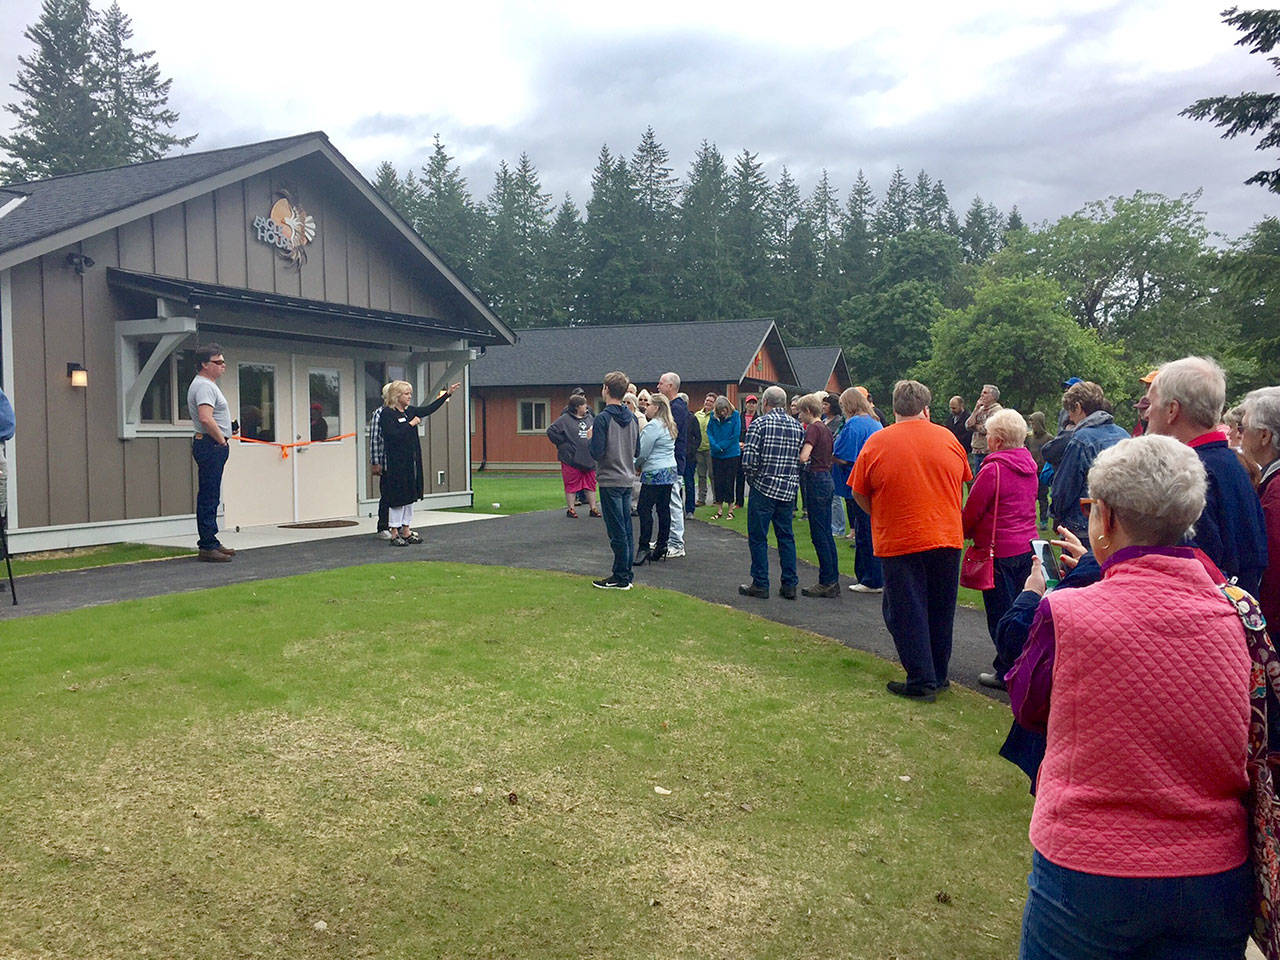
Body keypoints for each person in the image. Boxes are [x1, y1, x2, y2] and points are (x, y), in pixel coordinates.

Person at [1007, 435, 1252, 958]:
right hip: (1215, 872)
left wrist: (1034, 599)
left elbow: (1028, 707)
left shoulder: (1069, 613)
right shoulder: (1242, 615)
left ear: (1108, 518)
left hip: (1090, 867)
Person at [850, 380, 971, 700]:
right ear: (926, 408)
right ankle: (937, 673)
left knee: (904, 609)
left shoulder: (878, 442)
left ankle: (920, 678)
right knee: (940, 608)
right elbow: (962, 481)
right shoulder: (948, 438)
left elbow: (859, 492)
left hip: (901, 536)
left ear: (893, 408)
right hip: (946, 534)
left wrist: (880, 512)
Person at [1145, 356, 1268, 596]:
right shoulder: (1233, 466)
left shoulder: (1189, 476)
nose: (1147, 413)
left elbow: (1188, 573)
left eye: (1151, 403)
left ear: (1172, 410)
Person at [961, 409, 1039, 690]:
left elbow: (973, 512)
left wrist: (962, 531)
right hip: (1027, 546)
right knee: (1022, 611)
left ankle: (1007, 670)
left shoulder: (993, 469)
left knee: (1001, 614)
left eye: (989, 434)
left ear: (997, 440)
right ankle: (1023, 665)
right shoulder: (1030, 466)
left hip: (999, 551)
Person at [372, 379, 459, 541]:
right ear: (397, 396)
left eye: (410, 393)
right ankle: (394, 532)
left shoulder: (410, 411)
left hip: (411, 462)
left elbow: (428, 409)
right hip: (396, 463)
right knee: (398, 498)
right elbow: (393, 435)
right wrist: (411, 424)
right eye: (406, 394)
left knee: (410, 497)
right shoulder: (387, 414)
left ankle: (406, 530)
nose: (409, 396)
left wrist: (447, 394)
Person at [739, 385, 804, 600]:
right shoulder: (797, 426)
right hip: (787, 490)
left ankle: (760, 582)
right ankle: (789, 584)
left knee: (758, 537)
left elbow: (748, 461)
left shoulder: (759, 424)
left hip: (763, 488)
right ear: (784, 404)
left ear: (765, 403)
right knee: (786, 537)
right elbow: (802, 460)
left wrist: (754, 480)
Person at [1048, 381, 1129, 539]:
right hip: (1118, 523)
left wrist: (1056, 512)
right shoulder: (1123, 435)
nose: (1069, 417)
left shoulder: (1081, 440)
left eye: (1069, 411)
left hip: (1084, 524)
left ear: (1078, 407)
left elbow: (1064, 489)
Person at [590, 371, 641, 590]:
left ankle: (620, 576)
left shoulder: (602, 419)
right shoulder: (631, 417)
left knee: (616, 529)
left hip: (610, 478)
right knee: (626, 528)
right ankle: (626, 573)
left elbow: (597, 452)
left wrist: (592, 437)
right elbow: (637, 449)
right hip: (627, 478)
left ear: (607, 390)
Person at [835, 387, 884, 593]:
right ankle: (875, 576)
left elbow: (844, 455)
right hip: (875, 482)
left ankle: (870, 579)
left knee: (864, 531)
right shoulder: (875, 422)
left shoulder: (853, 424)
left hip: (858, 482)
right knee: (871, 529)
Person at [188, 344, 234, 562]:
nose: (223, 366)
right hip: (210, 445)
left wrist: (228, 430)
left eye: (223, 361)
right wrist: (221, 440)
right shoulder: (204, 386)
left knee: (212, 494)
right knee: (209, 495)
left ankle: (212, 540)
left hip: (211, 444)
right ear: (205, 365)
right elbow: (205, 418)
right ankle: (207, 545)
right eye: (218, 362)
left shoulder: (208, 385)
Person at [1241, 386, 1280, 629]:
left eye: (1243, 428)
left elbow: (1273, 569)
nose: (1239, 434)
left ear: (1264, 436)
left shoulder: (1276, 491)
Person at [797, 392, 841, 597]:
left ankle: (827, 581)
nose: (798, 416)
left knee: (819, 533)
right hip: (827, 477)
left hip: (816, 479)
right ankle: (832, 578)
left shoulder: (813, 428)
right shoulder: (825, 428)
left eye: (800, 412)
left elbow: (805, 456)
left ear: (807, 410)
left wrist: (796, 456)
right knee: (826, 533)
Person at [634, 392, 678, 565]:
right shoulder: (670, 425)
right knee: (663, 508)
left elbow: (643, 451)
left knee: (644, 508)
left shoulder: (653, 427)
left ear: (657, 408)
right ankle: (662, 545)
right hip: (669, 470)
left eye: (650, 404)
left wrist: (637, 465)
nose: (646, 407)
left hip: (654, 471)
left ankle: (644, 546)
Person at [546, 395, 599, 519]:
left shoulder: (590, 418)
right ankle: (571, 509)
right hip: (571, 459)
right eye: (584, 405)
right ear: (576, 407)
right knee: (571, 484)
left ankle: (593, 508)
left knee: (591, 484)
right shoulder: (564, 419)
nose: (586, 407)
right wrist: (563, 443)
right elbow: (551, 431)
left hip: (588, 457)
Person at [656, 372, 691, 558]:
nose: (658, 386)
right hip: (669, 461)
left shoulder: (677, 408)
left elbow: (671, 433)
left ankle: (677, 543)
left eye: (661, 383)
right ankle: (667, 538)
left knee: (673, 502)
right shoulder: (673, 406)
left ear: (670, 386)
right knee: (666, 502)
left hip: (674, 461)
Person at [707, 395, 742, 520]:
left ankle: (731, 509)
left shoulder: (735, 415)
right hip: (717, 454)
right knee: (718, 481)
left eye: (724, 410)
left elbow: (735, 434)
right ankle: (719, 509)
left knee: (729, 481)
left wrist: (722, 446)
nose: (723, 413)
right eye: (720, 411)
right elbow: (709, 432)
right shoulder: (713, 417)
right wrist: (715, 446)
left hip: (731, 453)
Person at [964, 383, 1003, 476]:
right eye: (982, 393)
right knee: (976, 477)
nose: (982, 395)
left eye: (985, 393)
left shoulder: (997, 410)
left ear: (993, 396)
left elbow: (987, 429)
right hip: (977, 450)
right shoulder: (980, 409)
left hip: (988, 451)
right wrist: (975, 409)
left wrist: (975, 426)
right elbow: (967, 425)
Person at [823, 393, 847, 539]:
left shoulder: (838, 421)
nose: (823, 407)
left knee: (836, 497)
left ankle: (839, 527)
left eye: (826, 404)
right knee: (828, 496)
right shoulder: (825, 420)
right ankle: (831, 524)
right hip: (825, 462)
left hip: (833, 461)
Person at [1025, 411, 1052, 528]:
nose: (1032, 426)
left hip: (1042, 472)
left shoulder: (1049, 438)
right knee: (1029, 497)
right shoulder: (1029, 438)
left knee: (1042, 497)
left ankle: (1044, 520)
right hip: (1031, 471)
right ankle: (1028, 519)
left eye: (1034, 423)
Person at [736, 394, 758, 509]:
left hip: (752, 450)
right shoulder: (739, 417)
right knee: (739, 476)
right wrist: (739, 443)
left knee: (752, 477)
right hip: (740, 449)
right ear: (746, 404)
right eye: (749, 403)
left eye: (753, 403)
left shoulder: (759, 419)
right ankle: (739, 502)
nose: (751, 405)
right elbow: (735, 432)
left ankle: (753, 501)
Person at [694, 393, 715, 506]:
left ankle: (716, 499)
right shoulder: (698, 415)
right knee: (701, 475)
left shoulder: (715, 415)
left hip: (710, 449)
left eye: (711, 401)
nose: (708, 403)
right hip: (699, 449)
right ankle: (701, 499)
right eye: (707, 400)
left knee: (712, 475)